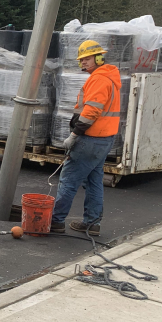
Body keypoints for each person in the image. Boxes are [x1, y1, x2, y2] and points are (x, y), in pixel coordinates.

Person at [50, 40, 122, 237]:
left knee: (69, 180)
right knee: (94, 181)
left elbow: (91, 111)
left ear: (99, 58)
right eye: (81, 60)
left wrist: (74, 135)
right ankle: (92, 223)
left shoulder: (99, 79)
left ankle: (55, 221)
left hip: (90, 139)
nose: (83, 63)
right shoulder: (109, 78)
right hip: (104, 140)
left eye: (87, 59)